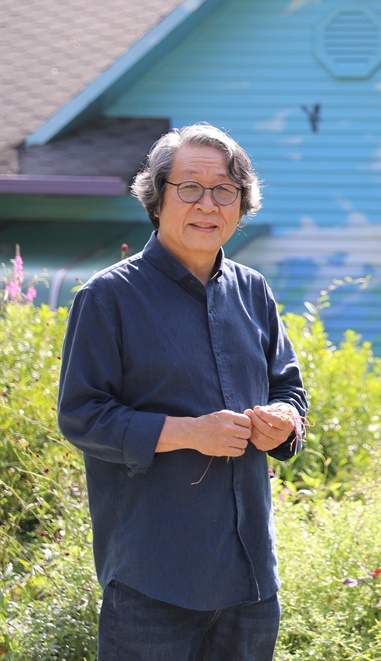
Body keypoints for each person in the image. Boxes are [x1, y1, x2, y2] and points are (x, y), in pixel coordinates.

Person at [57, 123, 307, 660]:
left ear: (242, 205)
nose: (207, 204)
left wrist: (284, 419)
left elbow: (289, 387)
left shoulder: (254, 291)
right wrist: (189, 433)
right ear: (156, 197)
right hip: (154, 580)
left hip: (251, 578)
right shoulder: (107, 298)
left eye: (225, 190)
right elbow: (81, 416)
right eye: (189, 187)